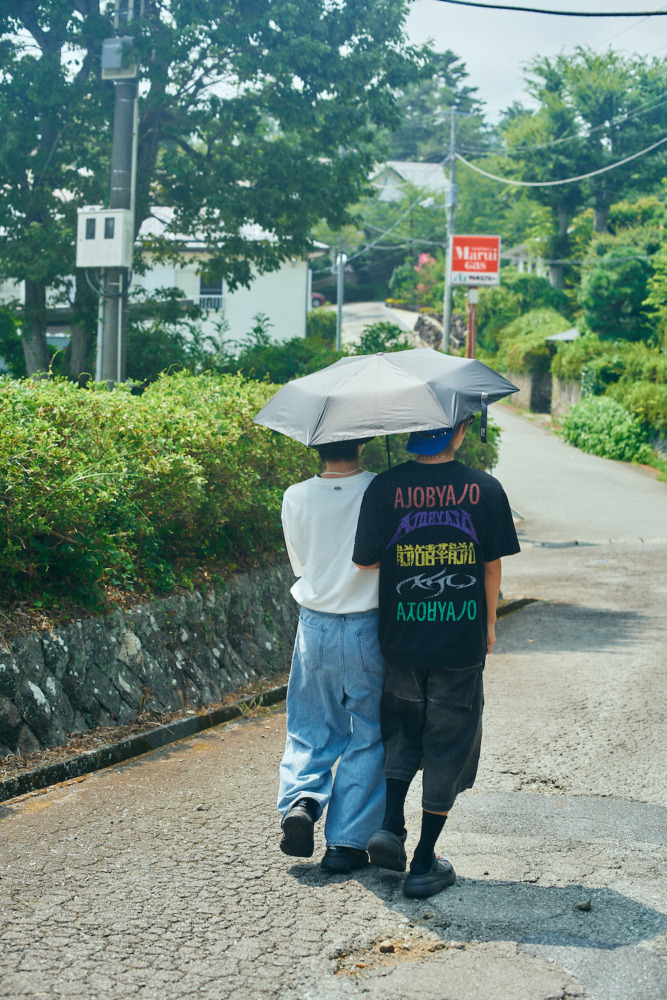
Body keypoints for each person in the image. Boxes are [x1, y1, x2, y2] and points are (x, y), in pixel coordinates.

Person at [352, 418, 520, 898]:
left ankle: (389, 825)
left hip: (402, 637)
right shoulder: (485, 489)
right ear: (459, 433)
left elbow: (366, 560)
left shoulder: (384, 487)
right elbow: (492, 565)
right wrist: (488, 623)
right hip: (458, 644)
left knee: (402, 728)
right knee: (449, 741)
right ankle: (424, 862)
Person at [277, 437, 386, 874]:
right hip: (368, 625)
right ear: (361, 443)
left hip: (314, 624)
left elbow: (300, 563)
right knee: (370, 731)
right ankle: (345, 844)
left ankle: (302, 800)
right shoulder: (381, 489)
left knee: (310, 726)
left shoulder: (296, 495)